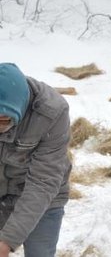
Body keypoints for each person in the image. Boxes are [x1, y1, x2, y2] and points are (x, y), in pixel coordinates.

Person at [0, 63, 71, 257]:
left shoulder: (52, 113)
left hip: (42, 196)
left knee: (40, 252)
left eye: (2, 120)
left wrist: (7, 241)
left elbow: (43, 182)